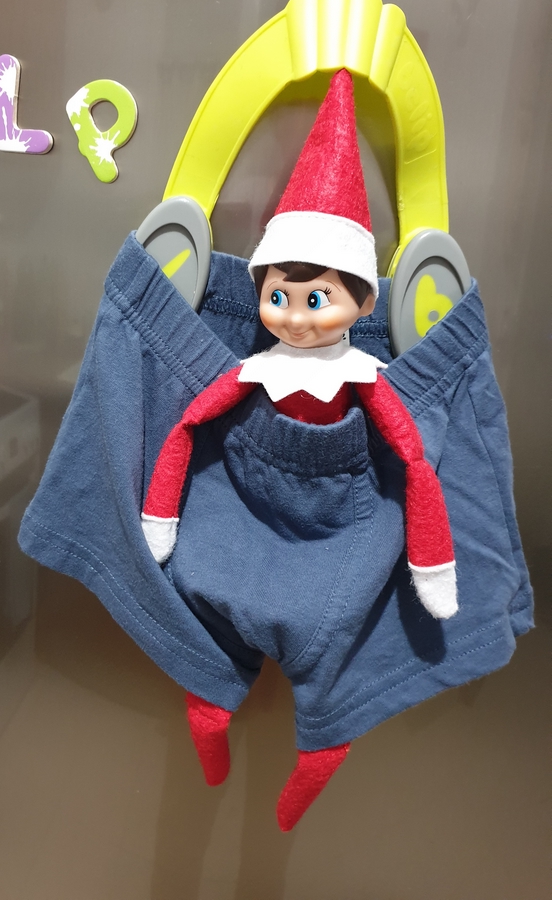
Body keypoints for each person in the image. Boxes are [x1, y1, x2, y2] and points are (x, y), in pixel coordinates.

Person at [140, 68, 457, 831]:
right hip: (241, 507)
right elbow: (188, 426)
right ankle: (209, 716)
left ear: (365, 303)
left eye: (317, 300)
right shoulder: (253, 369)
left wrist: (430, 560)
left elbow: (413, 461)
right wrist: (161, 517)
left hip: (342, 526)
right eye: (277, 297)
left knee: (335, 656)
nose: (295, 318)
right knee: (205, 623)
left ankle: (318, 755)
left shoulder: (367, 377)